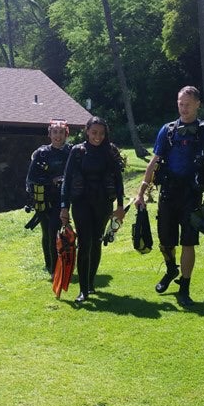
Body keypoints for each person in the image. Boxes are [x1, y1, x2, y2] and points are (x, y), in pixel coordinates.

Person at [133, 86, 204, 307]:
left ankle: (185, 286)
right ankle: (171, 268)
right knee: (165, 241)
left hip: (192, 195)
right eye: (180, 104)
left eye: (188, 104)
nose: (184, 108)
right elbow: (154, 161)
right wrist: (141, 191)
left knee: (189, 242)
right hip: (168, 194)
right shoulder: (168, 130)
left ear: (198, 104)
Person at [59, 116, 126, 304]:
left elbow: (118, 180)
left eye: (102, 133)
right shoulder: (77, 151)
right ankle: (83, 290)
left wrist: (120, 206)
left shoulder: (110, 151)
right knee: (85, 243)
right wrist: (64, 207)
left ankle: (90, 283)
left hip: (103, 203)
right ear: (87, 131)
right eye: (94, 132)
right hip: (81, 202)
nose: (98, 137)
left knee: (96, 242)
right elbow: (67, 180)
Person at [26, 119, 71, 279]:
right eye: (55, 132)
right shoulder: (41, 153)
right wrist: (51, 181)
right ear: (49, 134)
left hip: (64, 200)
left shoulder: (71, 152)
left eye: (61, 132)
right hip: (44, 199)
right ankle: (51, 266)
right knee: (48, 232)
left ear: (66, 134)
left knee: (57, 231)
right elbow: (31, 178)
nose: (58, 136)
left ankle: (61, 265)